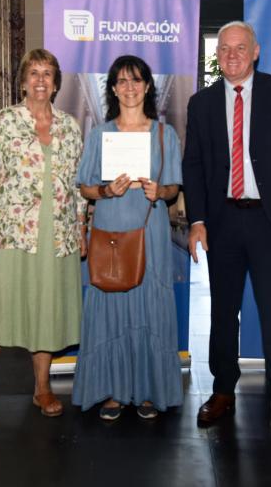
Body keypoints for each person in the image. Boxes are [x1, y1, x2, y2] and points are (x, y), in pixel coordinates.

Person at [183, 21, 271, 431]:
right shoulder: (201, 103)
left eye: (240, 48)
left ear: (256, 51)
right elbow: (195, 166)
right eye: (224, 49)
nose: (232, 55)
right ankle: (223, 390)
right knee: (223, 313)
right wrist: (198, 220)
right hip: (221, 222)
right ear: (216, 55)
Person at [0, 49, 85, 427]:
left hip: (58, 235)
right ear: (22, 81)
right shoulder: (2, 122)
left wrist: (81, 228)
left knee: (47, 311)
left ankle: (42, 388)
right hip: (10, 233)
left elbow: (78, 186)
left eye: (47, 73)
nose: (40, 80)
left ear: (56, 83)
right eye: (33, 73)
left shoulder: (69, 127)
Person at [73, 55, 183, 420]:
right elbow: (86, 187)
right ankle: (113, 391)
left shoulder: (165, 135)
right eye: (122, 81)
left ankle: (150, 390)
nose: (130, 88)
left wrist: (159, 192)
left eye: (136, 80)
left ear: (148, 86)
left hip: (150, 233)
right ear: (113, 88)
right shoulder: (100, 135)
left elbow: (172, 189)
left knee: (151, 309)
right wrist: (106, 191)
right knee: (112, 310)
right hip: (111, 232)